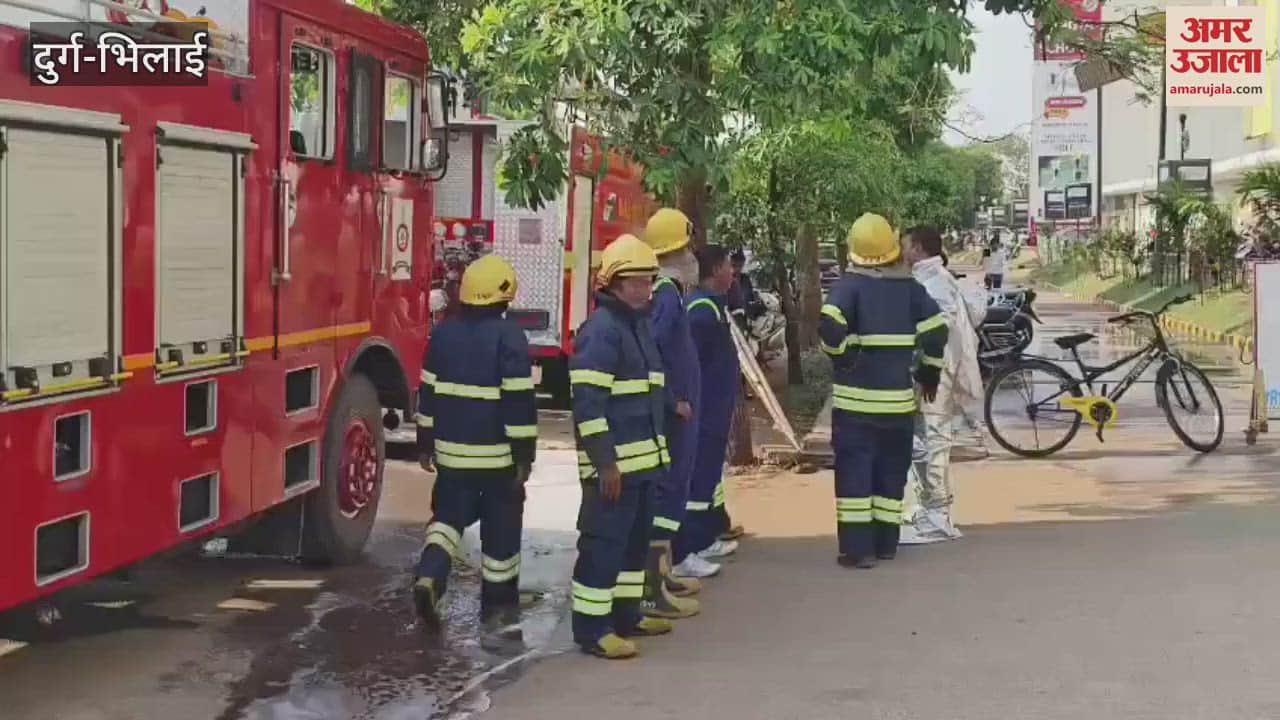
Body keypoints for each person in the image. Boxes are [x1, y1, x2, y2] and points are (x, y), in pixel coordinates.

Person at [412, 255, 537, 629]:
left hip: (450, 456)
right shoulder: (510, 336)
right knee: (502, 526)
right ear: (501, 298)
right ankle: (498, 605)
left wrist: (424, 442)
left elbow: (427, 394)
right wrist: (523, 456)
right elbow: (518, 402)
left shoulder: (443, 333)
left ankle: (430, 574)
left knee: (448, 517)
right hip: (497, 459)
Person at [569, 235, 679, 660]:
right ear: (613, 284)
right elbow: (588, 406)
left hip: (643, 466)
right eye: (635, 282)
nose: (644, 289)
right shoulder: (601, 332)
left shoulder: (637, 326)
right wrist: (606, 464)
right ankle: (592, 631)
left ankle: (626, 616)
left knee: (633, 547)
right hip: (614, 471)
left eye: (649, 281)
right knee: (603, 548)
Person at [818, 213, 947, 568]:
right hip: (898, 405)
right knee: (891, 473)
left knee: (856, 476)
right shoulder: (909, 288)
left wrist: (844, 358)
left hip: (855, 407)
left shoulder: (849, 286)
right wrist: (929, 373)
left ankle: (858, 551)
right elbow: (937, 331)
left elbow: (829, 325)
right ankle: (886, 543)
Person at [900, 226, 986, 544]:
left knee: (934, 438)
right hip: (931, 372)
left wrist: (926, 367)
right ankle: (925, 504)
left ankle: (938, 514)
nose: (902, 251)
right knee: (923, 438)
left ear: (919, 249)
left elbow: (939, 328)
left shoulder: (934, 282)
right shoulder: (928, 278)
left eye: (905, 245)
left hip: (937, 374)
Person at [639, 208, 707, 607]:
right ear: (676, 251)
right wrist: (671, 400)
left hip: (679, 410)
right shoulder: (665, 295)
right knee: (667, 494)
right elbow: (652, 353)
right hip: (673, 415)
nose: (693, 256)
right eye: (687, 247)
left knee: (672, 493)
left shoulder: (670, 293)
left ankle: (663, 577)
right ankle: (655, 586)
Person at [674, 245, 741, 576]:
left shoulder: (712, 306)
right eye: (729, 265)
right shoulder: (701, 311)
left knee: (710, 476)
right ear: (715, 269)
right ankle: (693, 544)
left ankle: (707, 535)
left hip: (714, 410)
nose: (734, 272)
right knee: (699, 480)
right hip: (705, 411)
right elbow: (691, 366)